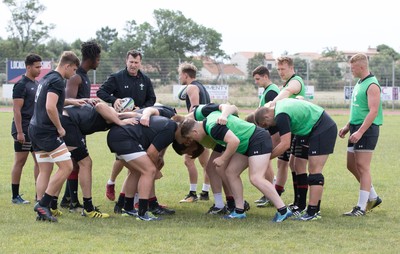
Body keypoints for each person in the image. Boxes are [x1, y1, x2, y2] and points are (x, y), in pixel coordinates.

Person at [181, 111, 292, 222]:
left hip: (257, 139)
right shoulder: (210, 118)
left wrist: (222, 158)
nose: (193, 140)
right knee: (231, 172)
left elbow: (234, 141)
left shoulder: (212, 128)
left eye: (191, 138)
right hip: (247, 143)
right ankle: (239, 210)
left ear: (195, 132)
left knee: (256, 178)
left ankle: (283, 210)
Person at [255, 98, 337, 221]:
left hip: (322, 128)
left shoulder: (281, 115)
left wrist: (266, 158)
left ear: (266, 117)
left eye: (266, 125)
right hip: (308, 129)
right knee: (296, 163)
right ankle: (300, 205)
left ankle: (313, 211)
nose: (269, 127)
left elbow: (285, 144)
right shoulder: (277, 108)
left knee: (315, 170)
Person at [29, 51, 81, 222]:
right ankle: (43, 204)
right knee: (67, 167)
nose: (73, 74)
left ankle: (40, 206)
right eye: (73, 70)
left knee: (45, 169)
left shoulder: (47, 77)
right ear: (66, 66)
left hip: (35, 128)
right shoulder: (58, 81)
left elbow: (53, 100)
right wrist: (60, 127)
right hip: (46, 131)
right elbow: (51, 106)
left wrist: (73, 101)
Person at [97, 49, 156, 201]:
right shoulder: (117, 77)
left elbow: (152, 99)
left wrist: (141, 109)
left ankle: (129, 196)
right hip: (121, 121)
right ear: (126, 61)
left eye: (136, 62)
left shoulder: (145, 79)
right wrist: (114, 99)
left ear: (140, 63)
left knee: (135, 159)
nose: (133, 65)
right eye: (131, 62)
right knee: (122, 158)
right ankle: (112, 182)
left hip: (140, 120)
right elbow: (101, 92)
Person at [106, 115, 183, 221]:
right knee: (149, 171)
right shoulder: (170, 128)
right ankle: (142, 213)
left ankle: (128, 208)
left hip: (117, 135)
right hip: (124, 137)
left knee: (135, 171)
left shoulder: (168, 125)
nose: (186, 142)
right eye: (187, 139)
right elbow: (151, 152)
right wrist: (155, 170)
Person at [339, 53, 383, 216]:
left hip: (367, 130)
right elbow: (359, 109)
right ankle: (373, 197)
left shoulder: (372, 85)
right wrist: (348, 126)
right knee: (351, 165)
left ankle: (361, 207)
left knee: (363, 167)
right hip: (356, 127)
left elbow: (373, 111)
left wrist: (360, 131)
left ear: (362, 67)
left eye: (353, 67)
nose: (351, 69)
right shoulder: (360, 83)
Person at [60, 40, 102, 212]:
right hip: (71, 126)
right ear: (92, 58)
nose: (99, 62)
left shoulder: (83, 76)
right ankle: (73, 203)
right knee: (75, 163)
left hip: (79, 127)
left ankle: (67, 199)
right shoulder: (76, 77)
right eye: (98, 58)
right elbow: (68, 105)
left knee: (76, 163)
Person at [273, 56, 308, 216]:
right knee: (292, 164)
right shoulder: (286, 83)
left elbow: (288, 92)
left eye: (283, 69)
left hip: (302, 129)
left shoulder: (296, 81)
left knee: (298, 165)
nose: (280, 72)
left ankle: (301, 204)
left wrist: (271, 103)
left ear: (291, 68)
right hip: (294, 129)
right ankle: (297, 202)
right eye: (278, 69)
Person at [10, 53, 42, 204]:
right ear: (28, 67)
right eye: (37, 67)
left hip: (35, 129)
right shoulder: (21, 85)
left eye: (40, 66)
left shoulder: (36, 84)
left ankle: (39, 195)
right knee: (20, 162)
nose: (40, 69)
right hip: (23, 129)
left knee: (39, 162)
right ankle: (15, 196)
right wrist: (20, 132)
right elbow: (16, 110)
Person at [177, 61, 211, 202]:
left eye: (180, 75)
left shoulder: (191, 87)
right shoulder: (201, 86)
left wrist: (184, 123)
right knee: (206, 163)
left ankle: (192, 194)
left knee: (188, 161)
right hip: (206, 127)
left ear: (185, 75)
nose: (179, 78)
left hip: (197, 128)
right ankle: (205, 193)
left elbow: (195, 109)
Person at [251, 65, 282, 208]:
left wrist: (273, 137)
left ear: (265, 76)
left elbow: (272, 118)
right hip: (268, 133)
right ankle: (268, 193)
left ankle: (270, 194)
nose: (256, 82)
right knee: (266, 163)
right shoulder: (267, 91)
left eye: (258, 79)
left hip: (272, 133)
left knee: (266, 162)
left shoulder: (271, 92)